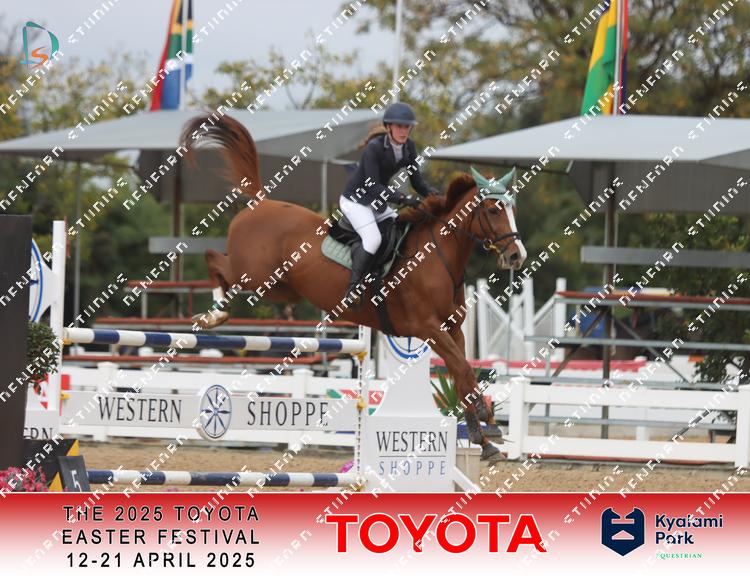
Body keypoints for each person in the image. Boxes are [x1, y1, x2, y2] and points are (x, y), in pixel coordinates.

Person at [339, 102, 438, 304]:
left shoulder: (409, 147)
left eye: (407, 127)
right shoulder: (373, 149)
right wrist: (402, 198)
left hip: (376, 200)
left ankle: (379, 275)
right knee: (373, 238)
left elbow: (417, 181)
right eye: (399, 126)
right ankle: (353, 289)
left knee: (399, 229)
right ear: (389, 127)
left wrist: (435, 196)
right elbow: (372, 185)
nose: (403, 131)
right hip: (355, 200)